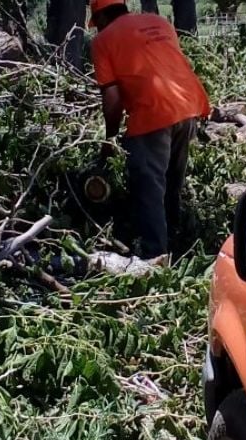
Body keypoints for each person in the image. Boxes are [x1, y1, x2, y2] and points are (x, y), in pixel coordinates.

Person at [89, 0, 211, 259]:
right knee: (172, 183)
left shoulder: (102, 41)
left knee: (149, 190)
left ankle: (155, 258)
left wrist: (109, 143)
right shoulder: (159, 22)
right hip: (187, 105)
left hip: (151, 114)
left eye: (96, 24)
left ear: (99, 18)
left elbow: (112, 101)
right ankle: (177, 241)